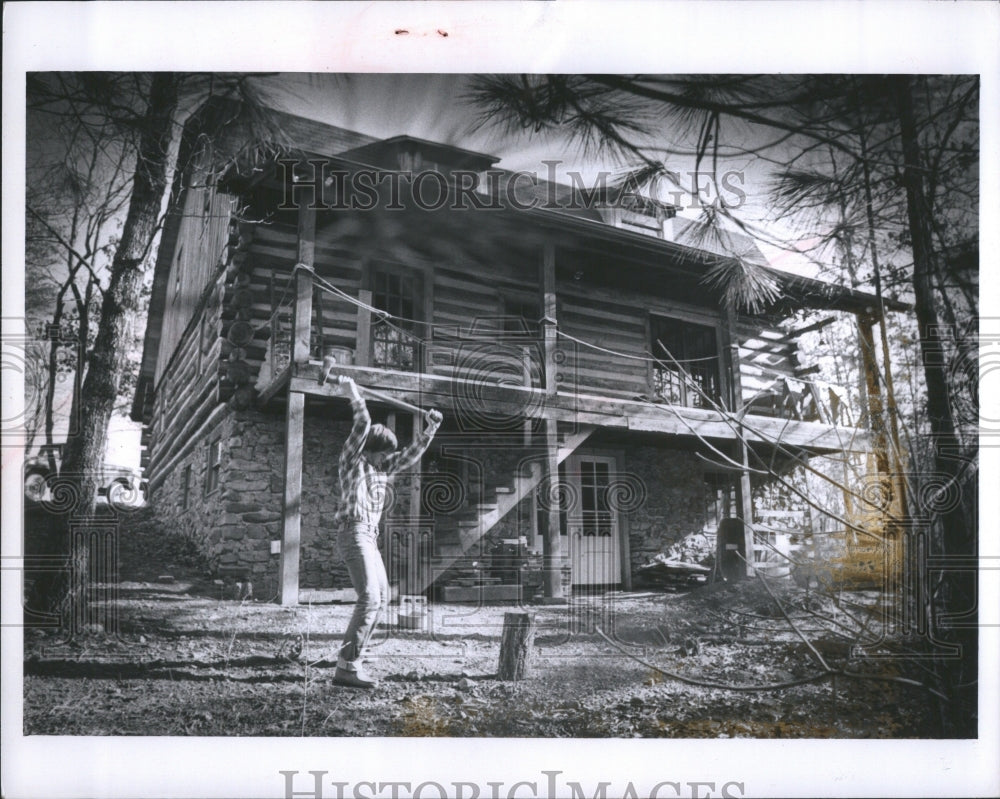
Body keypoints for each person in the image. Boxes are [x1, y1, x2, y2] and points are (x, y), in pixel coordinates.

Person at [333, 375, 442, 688]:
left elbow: (410, 455)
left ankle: (354, 659)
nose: (387, 459)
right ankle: (346, 668)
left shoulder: (382, 469)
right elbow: (363, 420)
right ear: (371, 449)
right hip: (353, 532)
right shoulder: (352, 461)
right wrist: (351, 391)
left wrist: (430, 428)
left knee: (381, 597)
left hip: (369, 537)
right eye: (384, 453)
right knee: (368, 597)